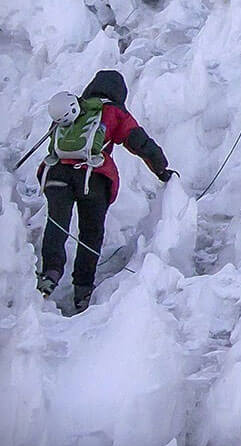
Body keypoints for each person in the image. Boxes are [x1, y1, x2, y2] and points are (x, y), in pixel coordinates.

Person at [37, 70, 174, 311]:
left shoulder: (74, 107)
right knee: (90, 233)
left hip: (56, 176)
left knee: (57, 223)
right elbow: (142, 144)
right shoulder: (115, 113)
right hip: (93, 179)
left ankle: (50, 274)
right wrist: (162, 171)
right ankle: (82, 291)